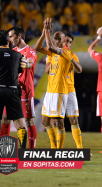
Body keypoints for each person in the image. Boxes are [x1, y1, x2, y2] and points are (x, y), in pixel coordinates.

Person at [34, 18, 74, 149]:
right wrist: (42, 34)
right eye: (55, 38)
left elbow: (50, 46)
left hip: (60, 91)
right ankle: (53, 146)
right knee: (45, 121)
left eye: (58, 38)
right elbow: (37, 48)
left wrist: (46, 31)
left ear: (63, 41)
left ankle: (59, 150)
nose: (56, 40)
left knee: (59, 122)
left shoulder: (65, 52)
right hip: (50, 91)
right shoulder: (52, 53)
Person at [0, 27, 37, 149]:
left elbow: (30, 62)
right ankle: (3, 149)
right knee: (5, 118)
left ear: (19, 36)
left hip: (26, 91)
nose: (9, 39)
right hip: (14, 90)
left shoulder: (30, 51)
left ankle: (30, 151)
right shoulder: (13, 51)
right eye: (8, 37)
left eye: (11, 36)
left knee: (29, 121)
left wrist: (26, 63)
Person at [45, 32, 83, 149]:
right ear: (61, 40)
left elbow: (79, 69)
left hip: (70, 89)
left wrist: (70, 59)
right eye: (66, 41)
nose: (68, 43)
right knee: (56, 121)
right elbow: (47, 70)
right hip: (57, 89)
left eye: (70, 42)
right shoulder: (52, 54)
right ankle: (56, 148)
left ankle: (80, 149)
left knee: (74, 119)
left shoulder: (72, 55)